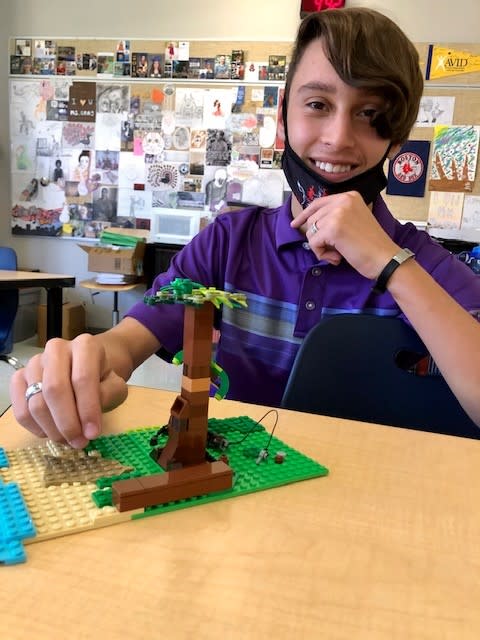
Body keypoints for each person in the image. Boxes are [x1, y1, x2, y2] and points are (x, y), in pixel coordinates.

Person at [11, 8, 480, 449]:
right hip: (241, 481)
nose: (337, 138)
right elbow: (127, 342)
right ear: (283, 118)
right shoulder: (227, 243)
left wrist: (389, 263)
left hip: (368, 486)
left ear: (397, 137)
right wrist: (86, 363)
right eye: (318, 104)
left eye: (370, 114)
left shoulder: (428, 266)